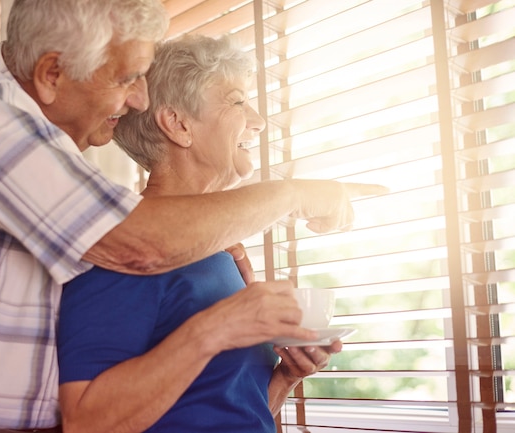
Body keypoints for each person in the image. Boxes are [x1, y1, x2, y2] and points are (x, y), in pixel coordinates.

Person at [0, 0, 385, 431]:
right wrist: (293, 196)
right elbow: (138, 249)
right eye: (128, 78)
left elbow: (220, 411)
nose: (139, 100)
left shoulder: (212, 251)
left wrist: (283, 376)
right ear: (51, 73)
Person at [57, 34, 344, 433]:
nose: (259, 121)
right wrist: (218, 327)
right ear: (178, 124)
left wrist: (285, 377)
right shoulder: (127, 247)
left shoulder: (220, 252)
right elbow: (86, 423)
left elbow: (227, 410)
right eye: (238, 101)